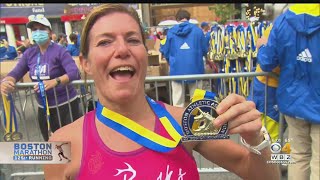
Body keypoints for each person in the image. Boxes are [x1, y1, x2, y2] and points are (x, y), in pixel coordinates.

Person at [43, 4, 280, 179]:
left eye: (133, 40)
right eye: (105, 42)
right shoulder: (61, 143)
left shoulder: (187, 122)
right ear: (85, 63)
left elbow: (261, 174)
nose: (122, 49)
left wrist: (256, 140)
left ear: (145, 54)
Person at [257, 4, 320, 180]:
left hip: (293, 101)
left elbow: (268, 62)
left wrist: (262, 46)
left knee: (298, 156)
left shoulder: (283, 21)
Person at [0, 14, 81, 141]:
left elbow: (74, 72)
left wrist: (56, 81)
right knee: (51, 145)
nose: (38, 32)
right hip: (43, 107)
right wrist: (7, 81)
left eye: (41, 29)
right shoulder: (29, 53)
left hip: (66, 106)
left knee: (73, 144)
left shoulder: (60, 51)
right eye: (34, 30)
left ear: (50, 32)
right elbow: (15, 73)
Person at [160, 9, 208, 107]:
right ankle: (196, 119)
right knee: (196, 100)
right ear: (188, 18)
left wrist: (170, 61)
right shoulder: (198, 31)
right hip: (195, 69)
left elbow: (165, 50)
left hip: (176, 69)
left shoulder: (171, 32)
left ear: (177, 19)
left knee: (177, 100)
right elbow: (204, 49)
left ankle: (177, 120)